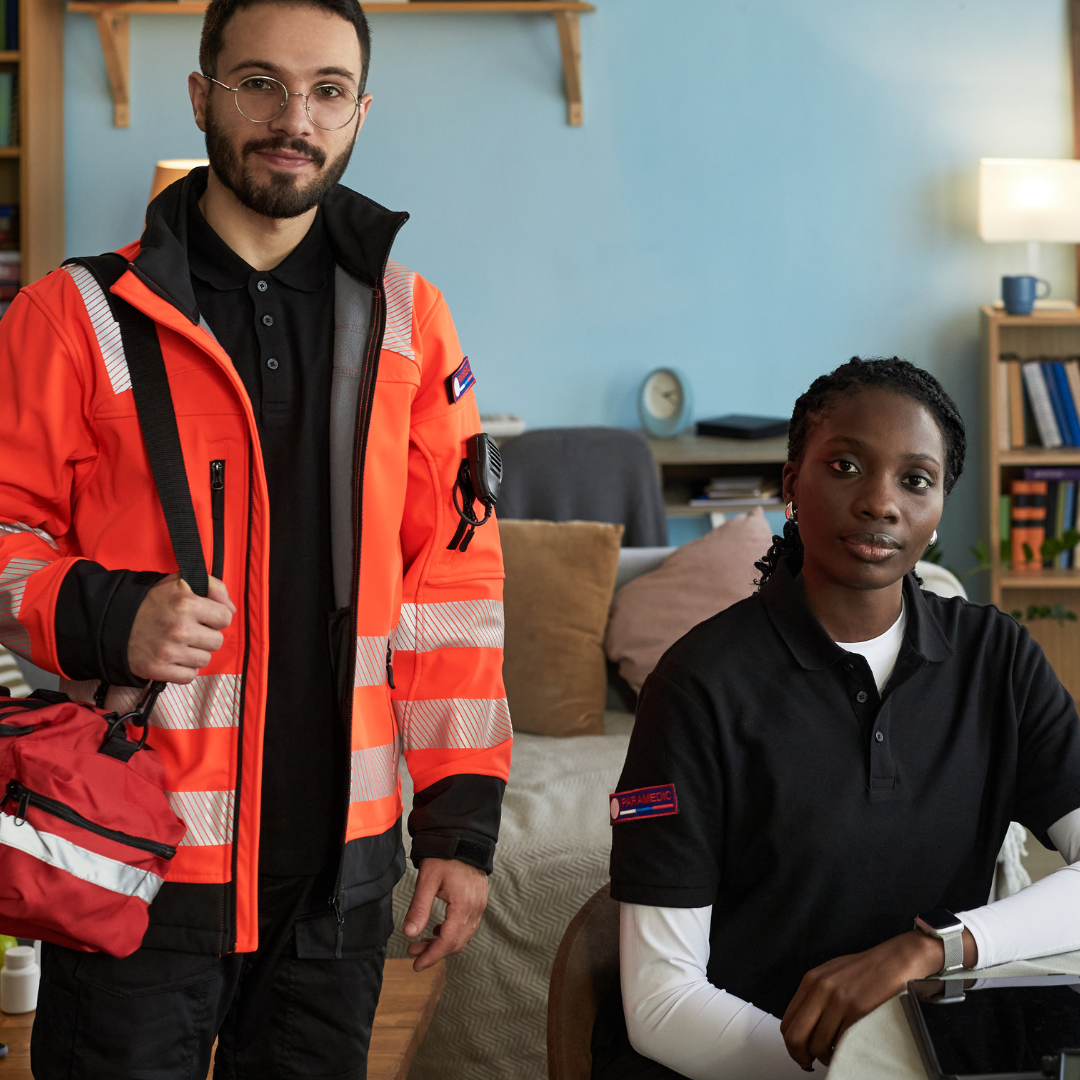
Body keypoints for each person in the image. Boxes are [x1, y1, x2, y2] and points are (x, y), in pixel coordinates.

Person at [0, 0, 512, 1076]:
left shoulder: (412, 322)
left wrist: (459, 831)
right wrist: (103, 612)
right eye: (260, 83)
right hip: (138, 860)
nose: (296, 116)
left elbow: (449, 589)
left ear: (360, 111)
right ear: (203, 95)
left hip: (341, 885)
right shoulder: (72, 316)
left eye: (327, 90)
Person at [596, 358, 1080, 1079]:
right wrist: (865, 1070)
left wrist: (934, 947)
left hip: (930, 1058)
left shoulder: (995, 659)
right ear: (792, 482)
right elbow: (661, 1003)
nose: (881, 502)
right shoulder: (699, 684)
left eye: (916, 480)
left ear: (941, 502)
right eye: (847, 466)